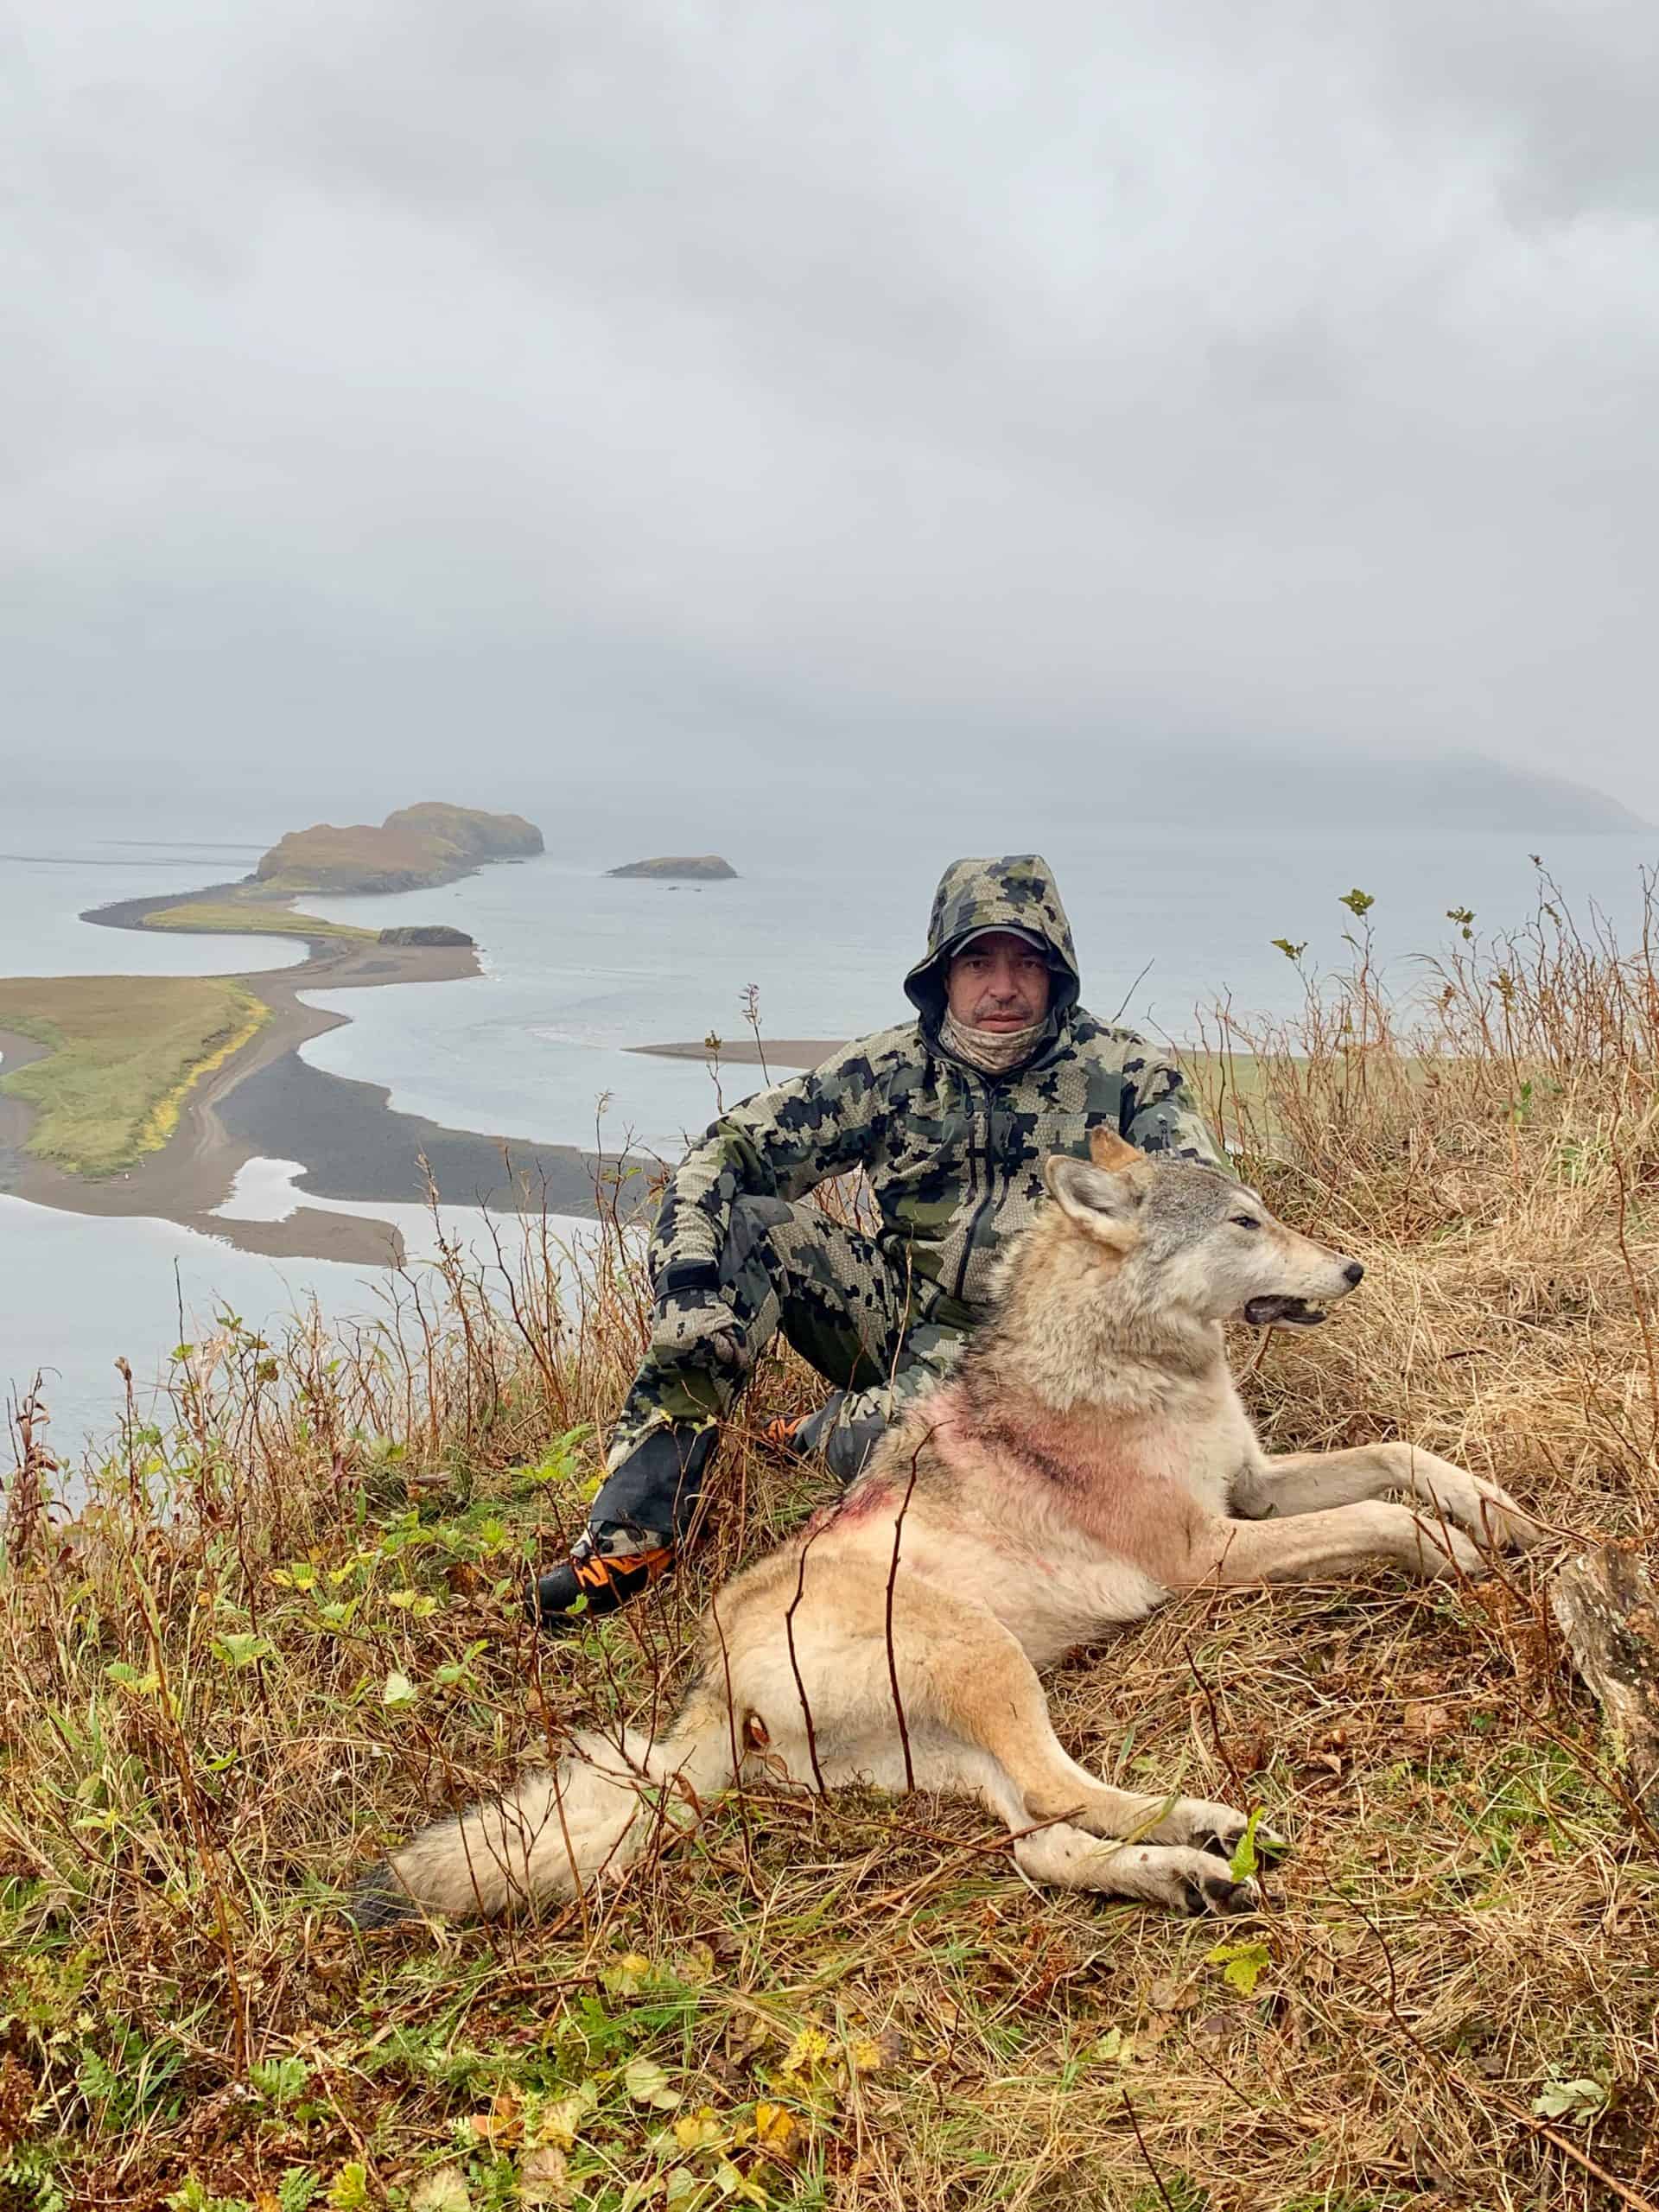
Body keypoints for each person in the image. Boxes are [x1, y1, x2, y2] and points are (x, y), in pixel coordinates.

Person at [530, 853, 1223, 1626]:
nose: (1003, 986)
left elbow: (1198, 1212)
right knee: (754, 1226)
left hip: (1051, 1356)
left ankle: (819, 1433)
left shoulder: (1129, 1076)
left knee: (922, 1456)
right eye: (979, 961)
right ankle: (635, 1536)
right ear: (941, 974)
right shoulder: (888, 1070)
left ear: (1058, 973)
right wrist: (686, 1286)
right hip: (898, 1317)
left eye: (1027, 962)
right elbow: (729, 1150)